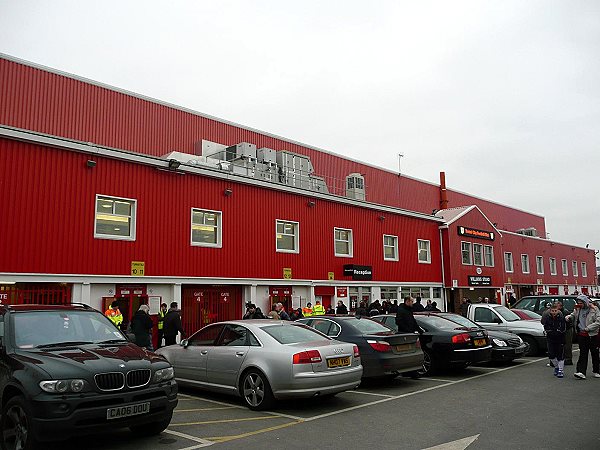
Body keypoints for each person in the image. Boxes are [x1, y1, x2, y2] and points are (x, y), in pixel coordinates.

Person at [564, 295, 600, 379]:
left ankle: (596, 370)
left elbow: (598, 322)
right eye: (578, 303)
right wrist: (569, 317)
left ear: (585, 302)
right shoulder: (578, 309)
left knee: (594, 353)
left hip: (592, 335)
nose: (579, 304)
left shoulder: (594, 309)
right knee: (583, 354)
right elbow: (573, 315)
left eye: (581, 303)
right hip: (581, 335)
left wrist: (588, 328)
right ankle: (581, 372)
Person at [541, 302, 566, 378]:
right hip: (550, 338)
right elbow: (545, 326)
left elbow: (563, 328)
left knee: (560, 355)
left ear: (558, 310)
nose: (554, 312)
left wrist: (559, 331)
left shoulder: (561, 318)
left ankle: (561, 370)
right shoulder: (547, 318)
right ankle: (556, 367)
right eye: (552, 311)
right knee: (551, 355)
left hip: (560, 338)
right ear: (550, 311)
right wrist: (549, 331)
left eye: (555, 311)